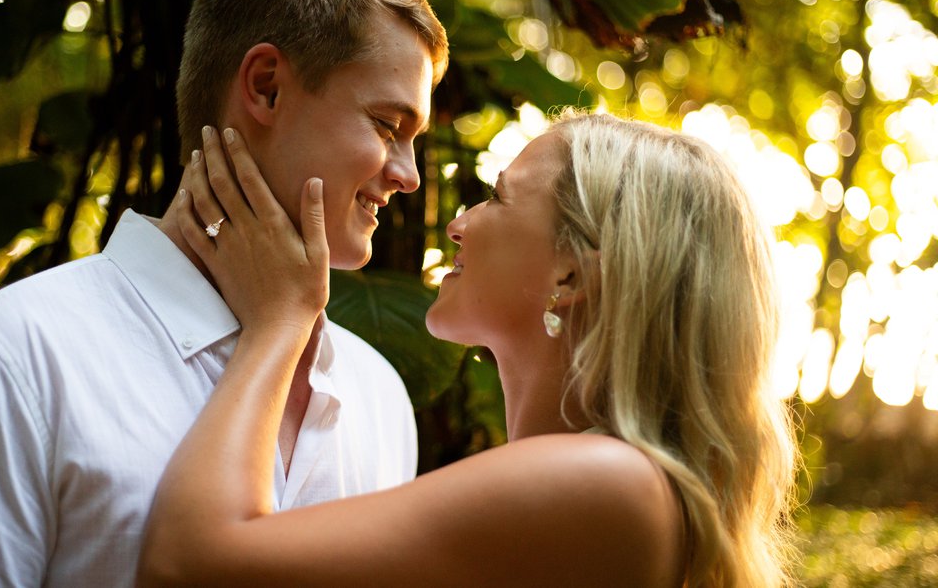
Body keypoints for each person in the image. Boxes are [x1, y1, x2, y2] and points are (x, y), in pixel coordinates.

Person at [0, 0, 448, 587]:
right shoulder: (12, 357)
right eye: (389, 126)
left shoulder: (378, 395)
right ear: (266, 87)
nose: (409, 176)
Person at [136, 112, 800, 587]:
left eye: (496, 198)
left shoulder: (608, 481)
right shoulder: (611, 487)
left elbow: (188, 565)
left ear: (571, 274)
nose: (457, 223)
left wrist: (278, 322)